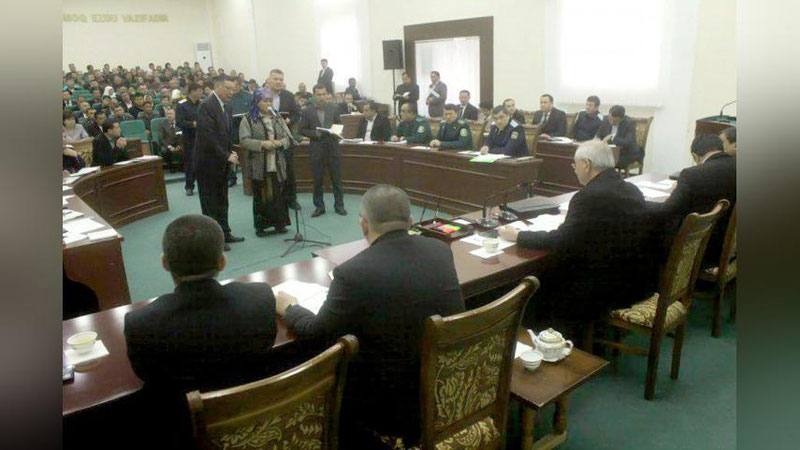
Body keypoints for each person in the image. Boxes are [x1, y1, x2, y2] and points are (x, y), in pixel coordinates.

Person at [276, 184, 464, 447]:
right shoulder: (440, 250)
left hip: (389, 412)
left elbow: (318, 334)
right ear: (410, 221)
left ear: (364, 225)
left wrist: (290, 308)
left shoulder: (351, 274)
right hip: (446, 385)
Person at [124, 214, 277, 448]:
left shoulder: (141, 323)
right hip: (260, 420)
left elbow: (147, 375)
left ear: (164, 263)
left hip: (184, 432)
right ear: (222, 261)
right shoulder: (260, 297)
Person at [497, 140, 655, 333]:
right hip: (633, 278)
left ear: (586, 164)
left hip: (604, 286)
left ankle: (544, 335)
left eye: (575, 165)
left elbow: (562, 241)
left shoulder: (588, 197)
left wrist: (518, 235)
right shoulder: (631, 189)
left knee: (538, 278)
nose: (575, 169)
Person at [655, 134, 736, 266]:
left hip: (699, 251)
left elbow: (669, 210)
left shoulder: (692, 174)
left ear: (695, 156)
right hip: (729, 247)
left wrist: (643, 204)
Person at [194, 74, 244, 251]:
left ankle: (225, 233)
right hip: (207, 163)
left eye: (233, 89)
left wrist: (231, 151)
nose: (232, 92)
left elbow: (226, 134)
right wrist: (225, 155)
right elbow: (208, 136)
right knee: (210, 203)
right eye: (228, 88)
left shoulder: (227, 106)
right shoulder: (206, 106)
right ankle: (214, 241)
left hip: (221, 161)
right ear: (217, 86)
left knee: (222, 200)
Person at [239, 88, 294, 236]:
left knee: (278, 195)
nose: (269, 103)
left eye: (270, 100)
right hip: (259, 163)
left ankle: (280, 224)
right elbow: (244, 141)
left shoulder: (277, 117)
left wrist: (280, 143)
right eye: (265, 101)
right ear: (256, 102)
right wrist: (262, 144)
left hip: (277, 163)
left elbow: (288, 138)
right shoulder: (248, 119)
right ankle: (261, 227)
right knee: (261, 196)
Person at [298, 84, 346, 217]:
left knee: (337, 179)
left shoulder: (334, 108)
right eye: (319, 95)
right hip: (316, 149)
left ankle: (339, 206)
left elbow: (339, 125)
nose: (322, 97)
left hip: (333, 148)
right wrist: (314, 133)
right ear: (314, 95)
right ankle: (319, 207)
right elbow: (302, 130)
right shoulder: (307, 111)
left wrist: (337, 131)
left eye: (324, 94)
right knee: (317, 180)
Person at [266, 69, 302, 210]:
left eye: (281, 79)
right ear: (269, 80)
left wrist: (288, 121)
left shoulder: (288, 96)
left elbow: (297, 114)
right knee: (271, 172)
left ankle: (291, 199)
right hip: (267, 139)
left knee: (289, 171)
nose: (278, 82)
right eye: (275, 79)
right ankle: (274, 201)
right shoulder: (261, 95)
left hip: (285, 139)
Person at [177, 83, 202, 196]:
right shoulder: (182, 105)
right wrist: (192, 124)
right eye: (199, 90)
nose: (201, 93)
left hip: (202, 137)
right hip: (189, 138)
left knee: (203, 162)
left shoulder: (202, 104)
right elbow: (179, 122)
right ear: (192, 91)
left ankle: (204, 185)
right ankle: (189, 186)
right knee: (190, 163)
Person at [157, 107, 182, 173]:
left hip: (178, 143)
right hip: (167, 144)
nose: (169, 115)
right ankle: (171, 166)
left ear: (175, 115)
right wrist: (169, 146)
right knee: (163, 150)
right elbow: (161, 138)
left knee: (185, 147)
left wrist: (180, 145)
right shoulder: (162, 125)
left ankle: (181, 166)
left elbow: (182, 135)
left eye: (171, 114)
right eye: (167, 114)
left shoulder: (179, 123)